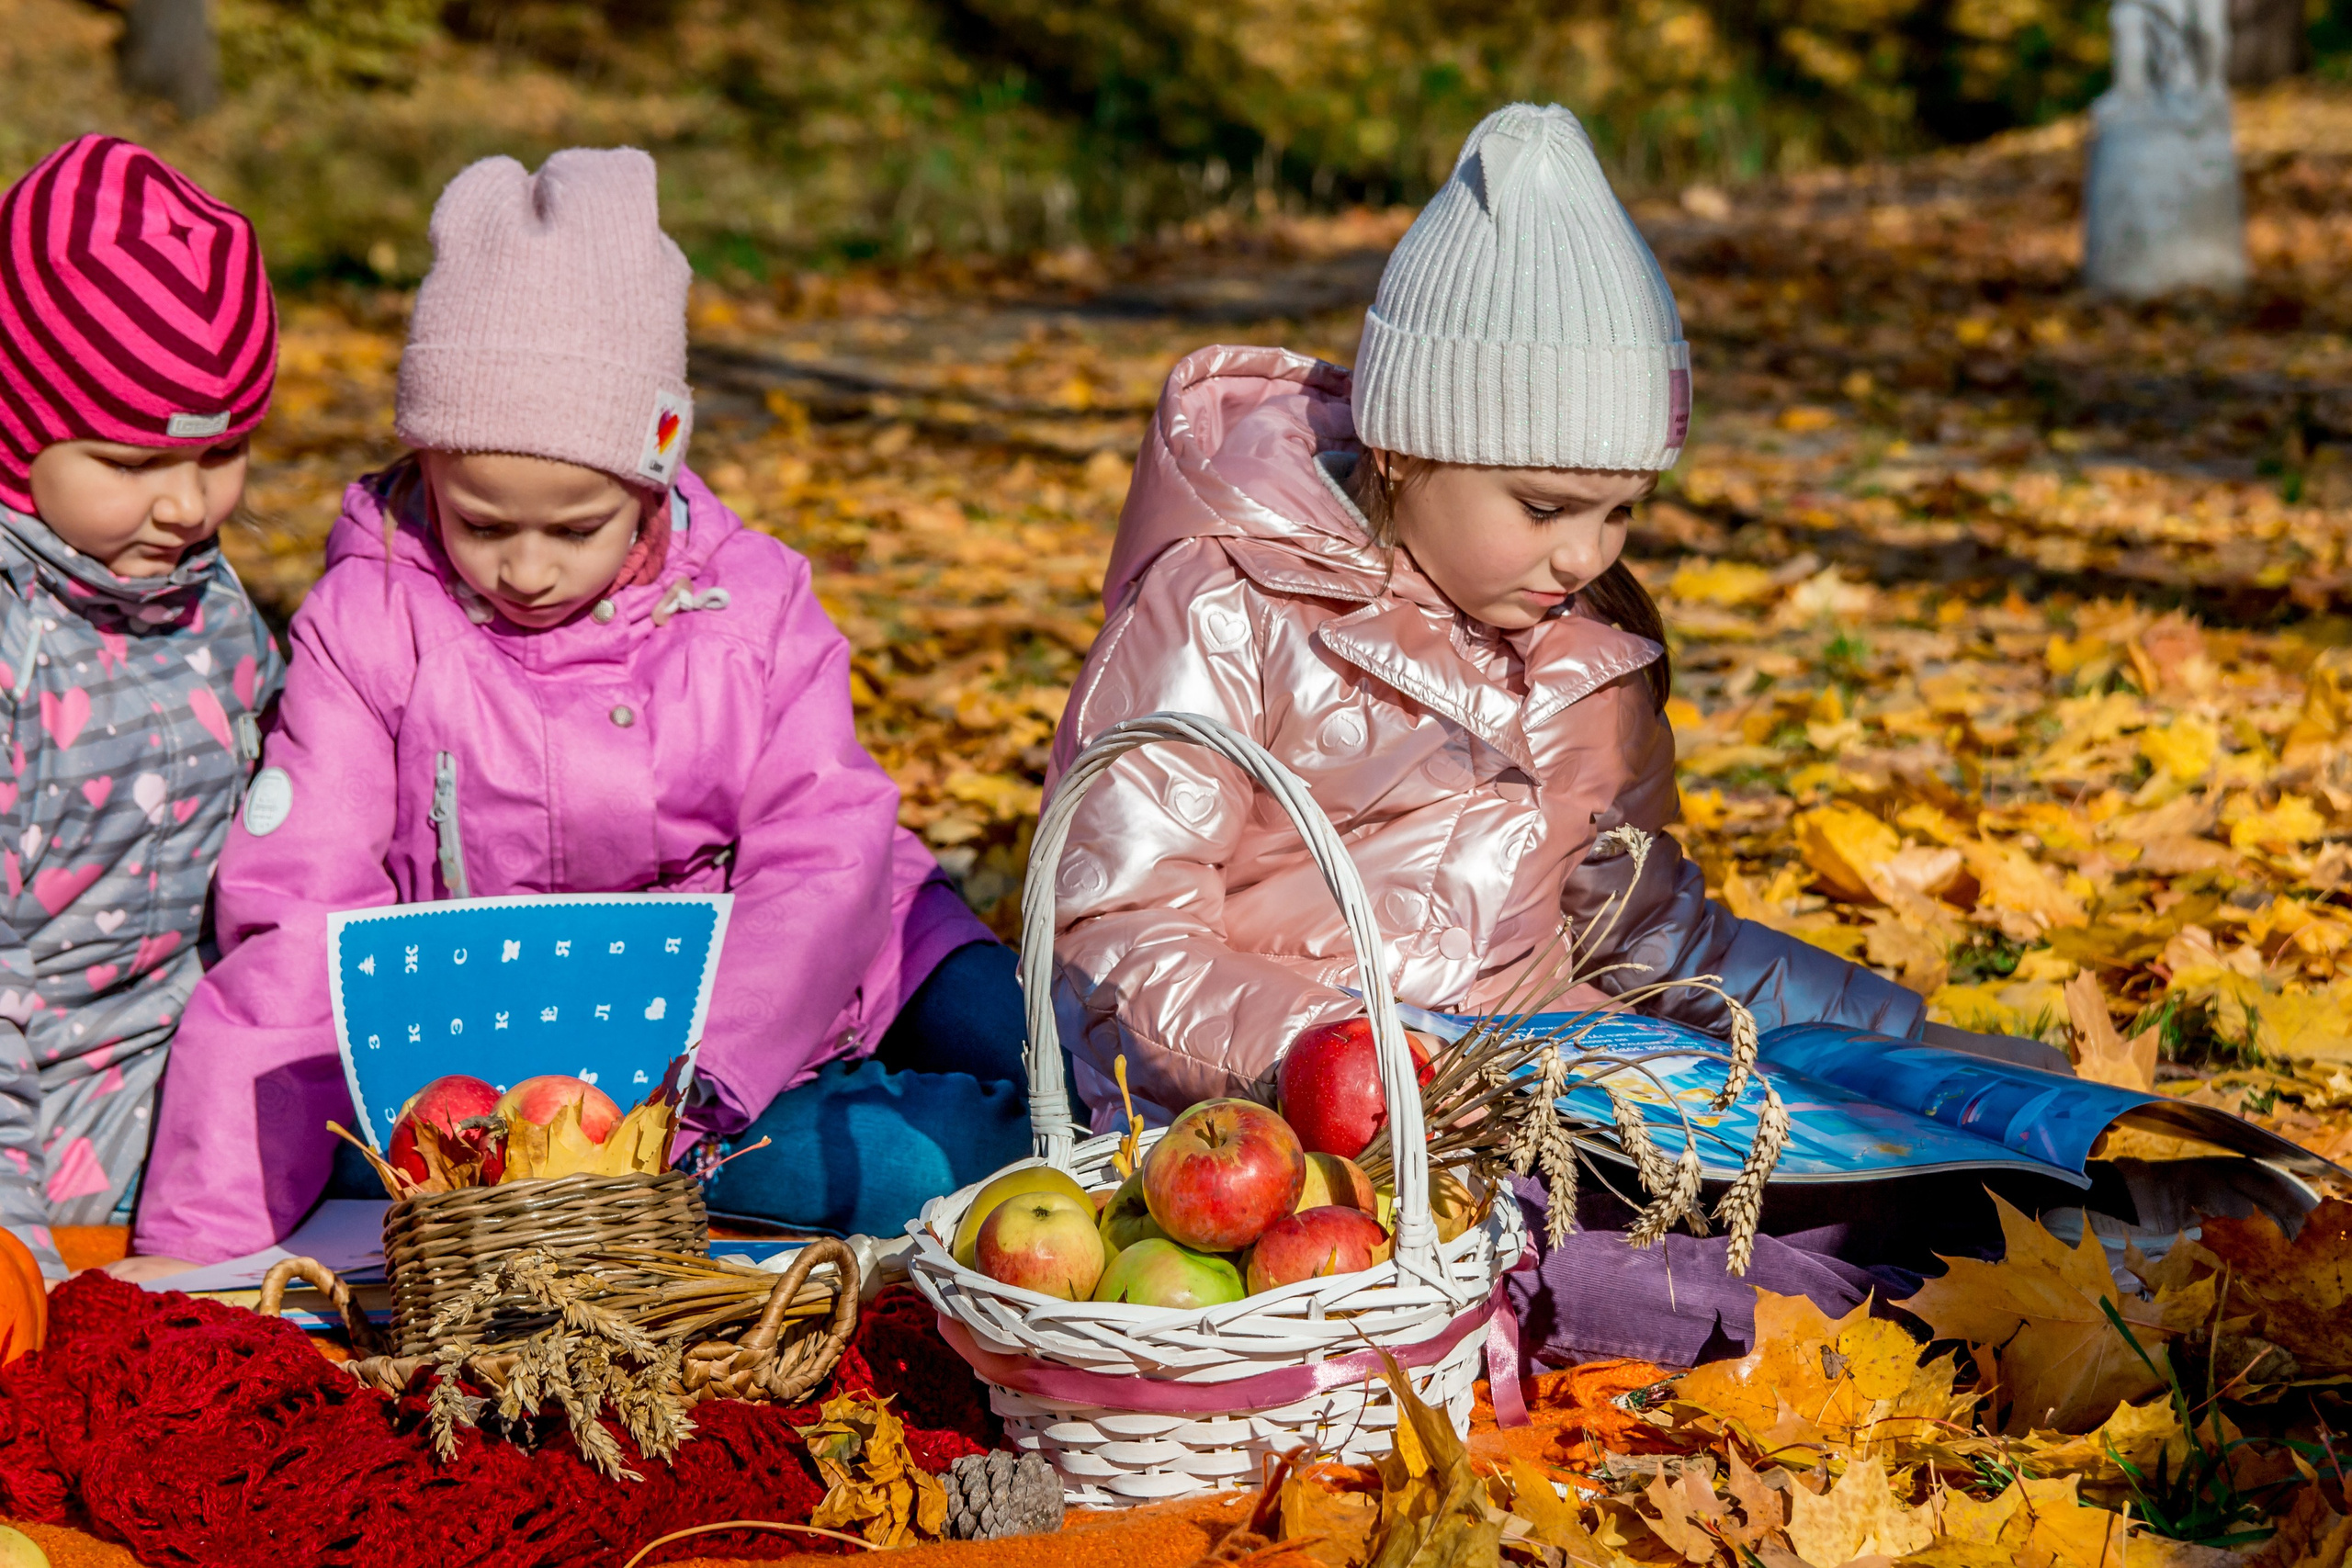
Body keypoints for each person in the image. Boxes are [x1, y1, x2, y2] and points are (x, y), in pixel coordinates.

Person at [1043, 104, 1954, 1362]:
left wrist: (1900, 1037)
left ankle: (1943, 1269)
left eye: (1623, 510)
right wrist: (1372, 1063)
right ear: (1408, 448)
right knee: (1636, 1277)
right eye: (1545, 506)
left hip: (1542, 1099)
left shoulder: (1590, 648)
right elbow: (1119, 932)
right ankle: (1840, 1326)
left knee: (1877, 1185)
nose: (1584, 554)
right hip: (1276, 1136)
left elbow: (1641, 923)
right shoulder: (1229, 606)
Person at [125, 148, 1024, 1274]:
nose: (530, 570)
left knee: (1050, 1055)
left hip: (798, 982)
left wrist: (709, 1079)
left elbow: (825, 852)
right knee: (921, 1168)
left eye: (576, 527)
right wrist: (192, 1261)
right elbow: (301, 912)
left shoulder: (746, 602)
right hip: (547, 1089)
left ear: (651, 481)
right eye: (484, 524)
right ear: (431, 471)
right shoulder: (371, 622)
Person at [0, 136, 283, 1280]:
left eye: (225, 454)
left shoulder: (206, 600)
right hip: (38, 1133)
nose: (183, 503)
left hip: (187, 1094)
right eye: (125, 462)